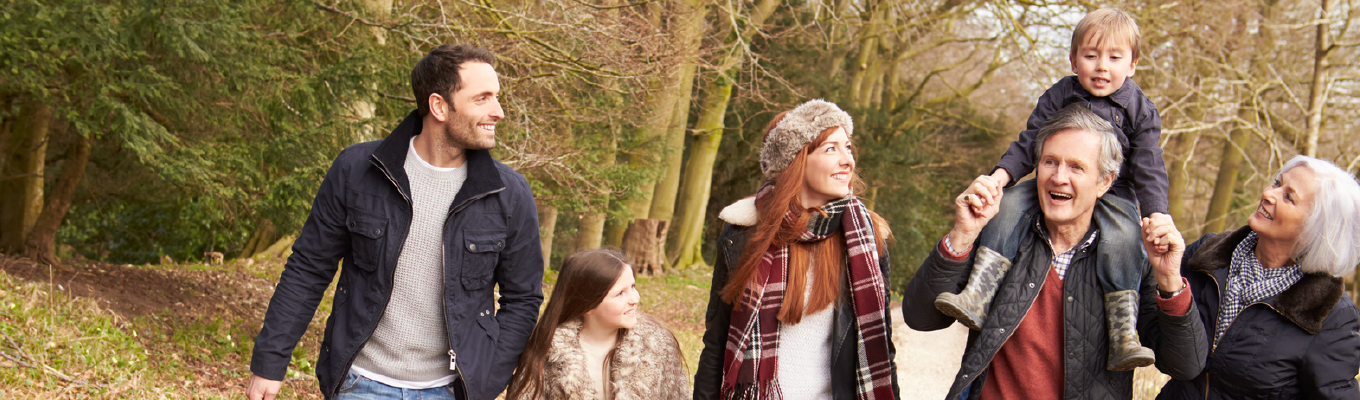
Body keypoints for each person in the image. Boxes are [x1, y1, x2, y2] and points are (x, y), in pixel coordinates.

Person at [245, 45, 544, 400]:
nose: (499, 111)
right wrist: (270, 362)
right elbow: (308, 269)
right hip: (360, 384)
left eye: (497, 97)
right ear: (439, 107)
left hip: (449, 391)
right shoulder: (356, 170)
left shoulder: (509, 194)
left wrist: (486, 380)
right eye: (483, 99)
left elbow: (523, 299)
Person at [902, 105, 1206, 400]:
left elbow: (1184, 365)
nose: (1059, 177)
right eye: (1050, 162)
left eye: (1076, 167)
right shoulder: (1002, 238)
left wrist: (1169, 280)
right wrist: (962, 235)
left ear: (1104, 182)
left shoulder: (1130, 256)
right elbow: (920, 317)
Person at [936, 8, 1168, 370]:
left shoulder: (1141, 109)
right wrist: (1000, 178)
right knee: (1009, 205)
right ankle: (979, 292)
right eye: (1091, 56)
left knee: (1125, 237)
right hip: (1047, 178)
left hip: (1115, 190)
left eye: (1114, 57)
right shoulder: (1060, 94)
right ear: (1074, 60)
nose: (1102, 67)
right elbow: (1030, 142)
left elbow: (1149, 167)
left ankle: (1124, 332)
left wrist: (1156, 214)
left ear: (1133, 64)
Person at [693, 99, 898, 400]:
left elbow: (882, 345)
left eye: (848, 147)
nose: (848, 161)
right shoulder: (743, 232)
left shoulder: (866, 240)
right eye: (831, 149)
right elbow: (716, 341)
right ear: (796, 162)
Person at [1156, 155, 1360, 399]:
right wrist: (1166, 281)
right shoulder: (1204, 255)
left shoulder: (1331, 314)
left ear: (1314, 230)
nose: (1268, 194)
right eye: (1276, 183)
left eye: (1288, 197)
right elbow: (1163, 344)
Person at [506, 249, 689, 400]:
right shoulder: (549, 352)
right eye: (620, 294)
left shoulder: (656, 346)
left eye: (633, 287)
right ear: (589, 305)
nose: (635, 298)